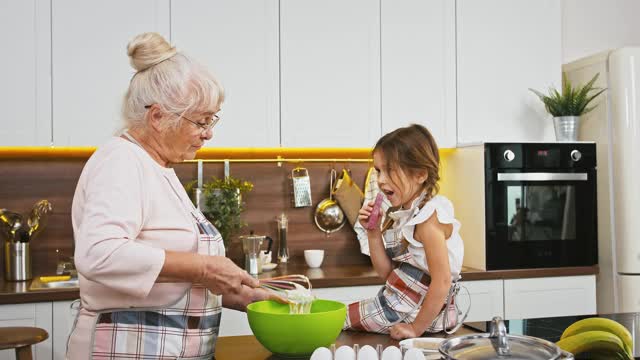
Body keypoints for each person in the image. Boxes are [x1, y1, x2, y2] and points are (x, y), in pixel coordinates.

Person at [68, 32, 277, 359]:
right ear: (158, 117)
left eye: (212, 120)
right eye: (201, 121)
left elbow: (171, 283)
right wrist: (206, 267)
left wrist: (243, 295)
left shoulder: (159, 167)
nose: (209, 133)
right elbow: (98, 253)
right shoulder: (121, 161)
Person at [344, 124, 465, 340]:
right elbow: (387, 273)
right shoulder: (402, 214)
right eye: (379, 171)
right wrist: (372, 233)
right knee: (340, 316)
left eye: (389, 170)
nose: (380, 180)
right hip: (400, 303)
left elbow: (443, 281)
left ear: (420, 174)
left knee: (338, 318)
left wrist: (416, 328)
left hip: (418, 313)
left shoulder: (429, 219)